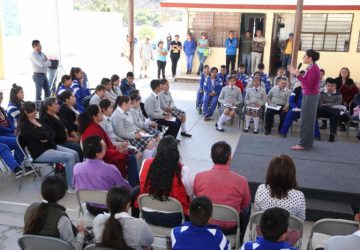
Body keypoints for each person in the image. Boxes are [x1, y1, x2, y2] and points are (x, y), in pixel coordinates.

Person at [194, 141, 251, 243]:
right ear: (229, 157)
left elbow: (197, 196)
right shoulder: (241, 180)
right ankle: (240, 238)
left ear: (211, 156)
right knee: (248, 207)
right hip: (230, 225)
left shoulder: (199, 177)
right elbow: (245, 204)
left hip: (205, 220)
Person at [18, 101, 78, 191]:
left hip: (50, 146)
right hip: (40, 152)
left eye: (35, 110)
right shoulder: (25, 126)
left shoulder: (37, 120)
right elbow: (43, 135)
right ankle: (71, 186)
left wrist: (45, 136)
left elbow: (52, 132)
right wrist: (43, 132)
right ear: (26, 112)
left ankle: (77, 180)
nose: (35, 112)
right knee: (69, 157)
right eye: (32, 111)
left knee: (75, 153)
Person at [137, 136, 193, 228]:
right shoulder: (182, 170)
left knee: (136, 190)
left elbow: (141, 181)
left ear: (158, 150)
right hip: (174, 218)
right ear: (176, 152)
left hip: (148, 214)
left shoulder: (145, 163)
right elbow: (190, 194)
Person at [79, 104, 139, 186]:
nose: (102, 114)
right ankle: (133, 186)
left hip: (105, 152)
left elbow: (107, 144)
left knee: (131, 153)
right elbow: (100, 151)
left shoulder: (95, 126)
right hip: (102, 157)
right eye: (100, 112)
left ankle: (135, 183)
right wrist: (118, 152)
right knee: (131, 158)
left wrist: (117, 149)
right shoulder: (92, 130)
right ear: (94, 116)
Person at [73, 136, 132, 216]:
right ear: (98, 154)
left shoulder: (77, 168)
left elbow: (75, 185)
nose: (106, 148)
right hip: (110, 209)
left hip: (90, 207)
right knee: (133, 191)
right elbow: (125, 187)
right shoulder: (110, 169)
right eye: (104, 147)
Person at [24, 176, 85, 250]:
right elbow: (73, 248)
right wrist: (81, 234)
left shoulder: (31, 208)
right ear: (62, 195)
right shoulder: (62, 220)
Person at [254, 155, 305, 220]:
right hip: (287, 229)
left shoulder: (261, 189)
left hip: (264, 228)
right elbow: (300, 220)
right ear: (291, 174)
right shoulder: (299, 196)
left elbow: (257, 213)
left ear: (270, 173)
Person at [288, 49, 321, 150]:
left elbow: (308, 85)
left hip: (310, 96)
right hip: (308, 95)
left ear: (310, 58)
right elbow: (306, 82)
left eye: (304, 56)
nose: (303, 58)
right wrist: (297, 74)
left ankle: (304, 144)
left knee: (307, 120)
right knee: (307, 119)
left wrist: (298, 74)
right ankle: (306, 142)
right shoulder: (310, 67)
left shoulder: (314, 69)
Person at [0, 91, 32, 177]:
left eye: (1, 98)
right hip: (4, 132)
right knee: (7, 145)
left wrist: (13, 129)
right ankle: (17, 168)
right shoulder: (12, 106)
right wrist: (11, 130)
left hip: (6, 132)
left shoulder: (1, 109)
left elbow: (9, 121)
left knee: (19, 138)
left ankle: (22, 164)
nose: (0, 100)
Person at [316, 78, 346, 142]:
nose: (330, 87)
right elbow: (320, 104)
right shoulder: (321, 92)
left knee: (334, 114)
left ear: (335, 86)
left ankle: (332, 136)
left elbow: (338, 104)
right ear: (326, 85)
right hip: (322, 111)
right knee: (335, 111)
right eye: (328, 85)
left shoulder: (338, 93)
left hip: (332, 111)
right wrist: (332, 105)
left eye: (332, 86)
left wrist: (326, 104)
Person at [30, 40, 51, 106]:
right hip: (38, 75)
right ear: (35, 46)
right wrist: (46, 62)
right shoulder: (33, 54)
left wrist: (45, 62)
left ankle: (47, 105)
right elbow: (41, 64)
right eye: (39, 45)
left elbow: (49, 62)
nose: (41, 47)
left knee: (48, 91)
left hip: (44, 74)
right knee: (39, 93)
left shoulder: (42, 53)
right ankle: (38, 107)